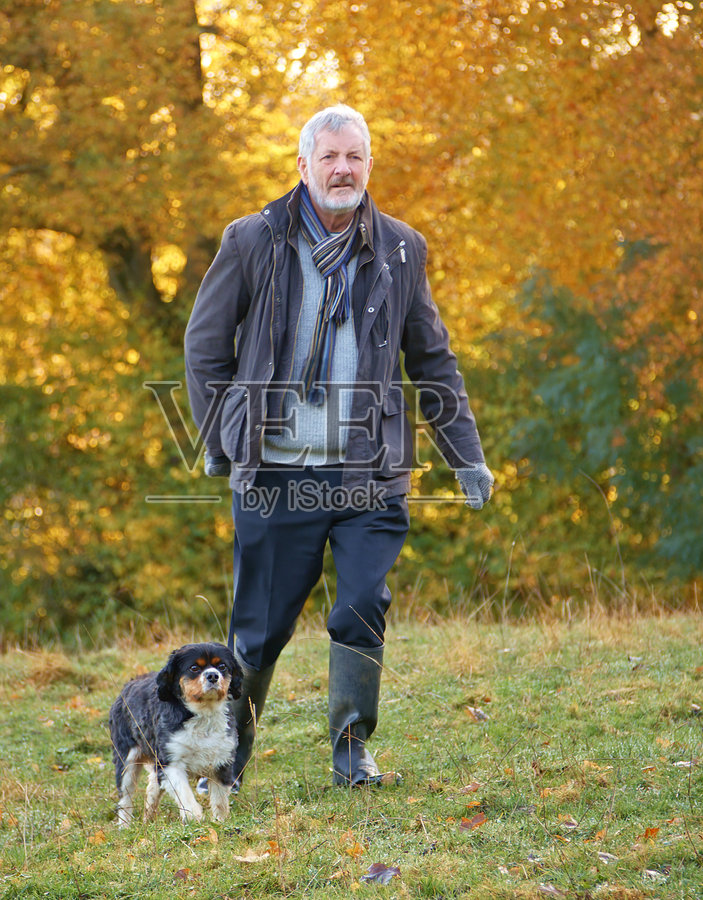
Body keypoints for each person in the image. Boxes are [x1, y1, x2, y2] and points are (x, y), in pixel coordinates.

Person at [183, 104, 493, 789]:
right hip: (275, 473)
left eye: (355, 156)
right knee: (258, 631)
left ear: (369, 164)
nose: (343, 168)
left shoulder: (402, 249)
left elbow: (433, 361)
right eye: (329, 157)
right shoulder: (251, 240)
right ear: (303, 166)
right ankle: (225, 760)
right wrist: (219, 437)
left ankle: (352, 749)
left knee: (360, 605)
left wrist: (464, 453)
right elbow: (204, 347)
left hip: (368, 476)